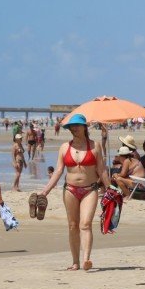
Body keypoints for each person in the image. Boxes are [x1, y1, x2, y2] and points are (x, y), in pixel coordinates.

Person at [39, 114, 111, 271]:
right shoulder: (65, 147)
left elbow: (101, 169)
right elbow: (58, 171)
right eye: (71, 126)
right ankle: (75, 262)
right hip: (70, 190)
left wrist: (110, 189)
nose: (74, 129)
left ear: (84, 127)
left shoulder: (95, 146)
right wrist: (46, 191)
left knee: (85, 224)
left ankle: (86, 259)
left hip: (89, 189)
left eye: (77, 126)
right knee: (72, 226)